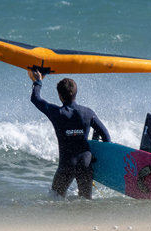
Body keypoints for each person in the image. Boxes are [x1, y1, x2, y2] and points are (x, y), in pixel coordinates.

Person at [29, 69, 111, 199]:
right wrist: (99, 158)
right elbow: (106, 137)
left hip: (67, 164)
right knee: (86, 201)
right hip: (85, 163)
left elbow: (35, 99)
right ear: (76, 93)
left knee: (55, 197)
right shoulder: (88, 113)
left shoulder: (57, 113)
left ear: (60, 96)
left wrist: (38, 81)